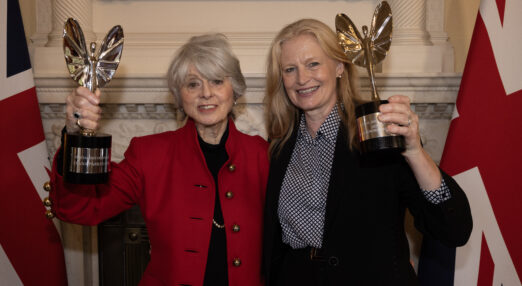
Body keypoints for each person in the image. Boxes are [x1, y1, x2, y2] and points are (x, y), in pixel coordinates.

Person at [262, 19, 472, 286]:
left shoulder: (378, 130)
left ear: (339, 66)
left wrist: (414, 151)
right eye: (290, 69)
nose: (302, 78)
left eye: (313, 64)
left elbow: (453, 229)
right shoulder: (279, 143)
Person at [48, 34, 269, 286]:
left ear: (235, 90)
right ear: (179, 96)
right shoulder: (149, 154)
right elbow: (80, 208)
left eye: (217, 81)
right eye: (192, 84)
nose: (206, 93)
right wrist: (76, 137)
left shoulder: (262, 156)